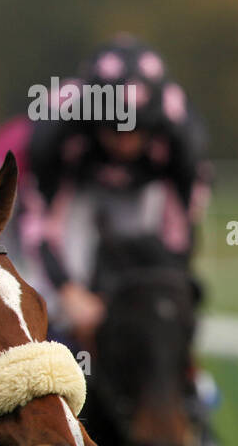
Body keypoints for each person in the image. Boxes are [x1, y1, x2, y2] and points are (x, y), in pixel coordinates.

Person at [26, 34, 211, 344]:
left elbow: (182, 223)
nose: (124, 143)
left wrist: (165, 287)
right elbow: (41, 220)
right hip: (76, 190)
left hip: (146, 191)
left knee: (157, 295)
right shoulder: (57, 129)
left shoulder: (181, 138)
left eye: (136, 131)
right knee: (54, 296)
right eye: (113, 130)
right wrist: (68, 289)